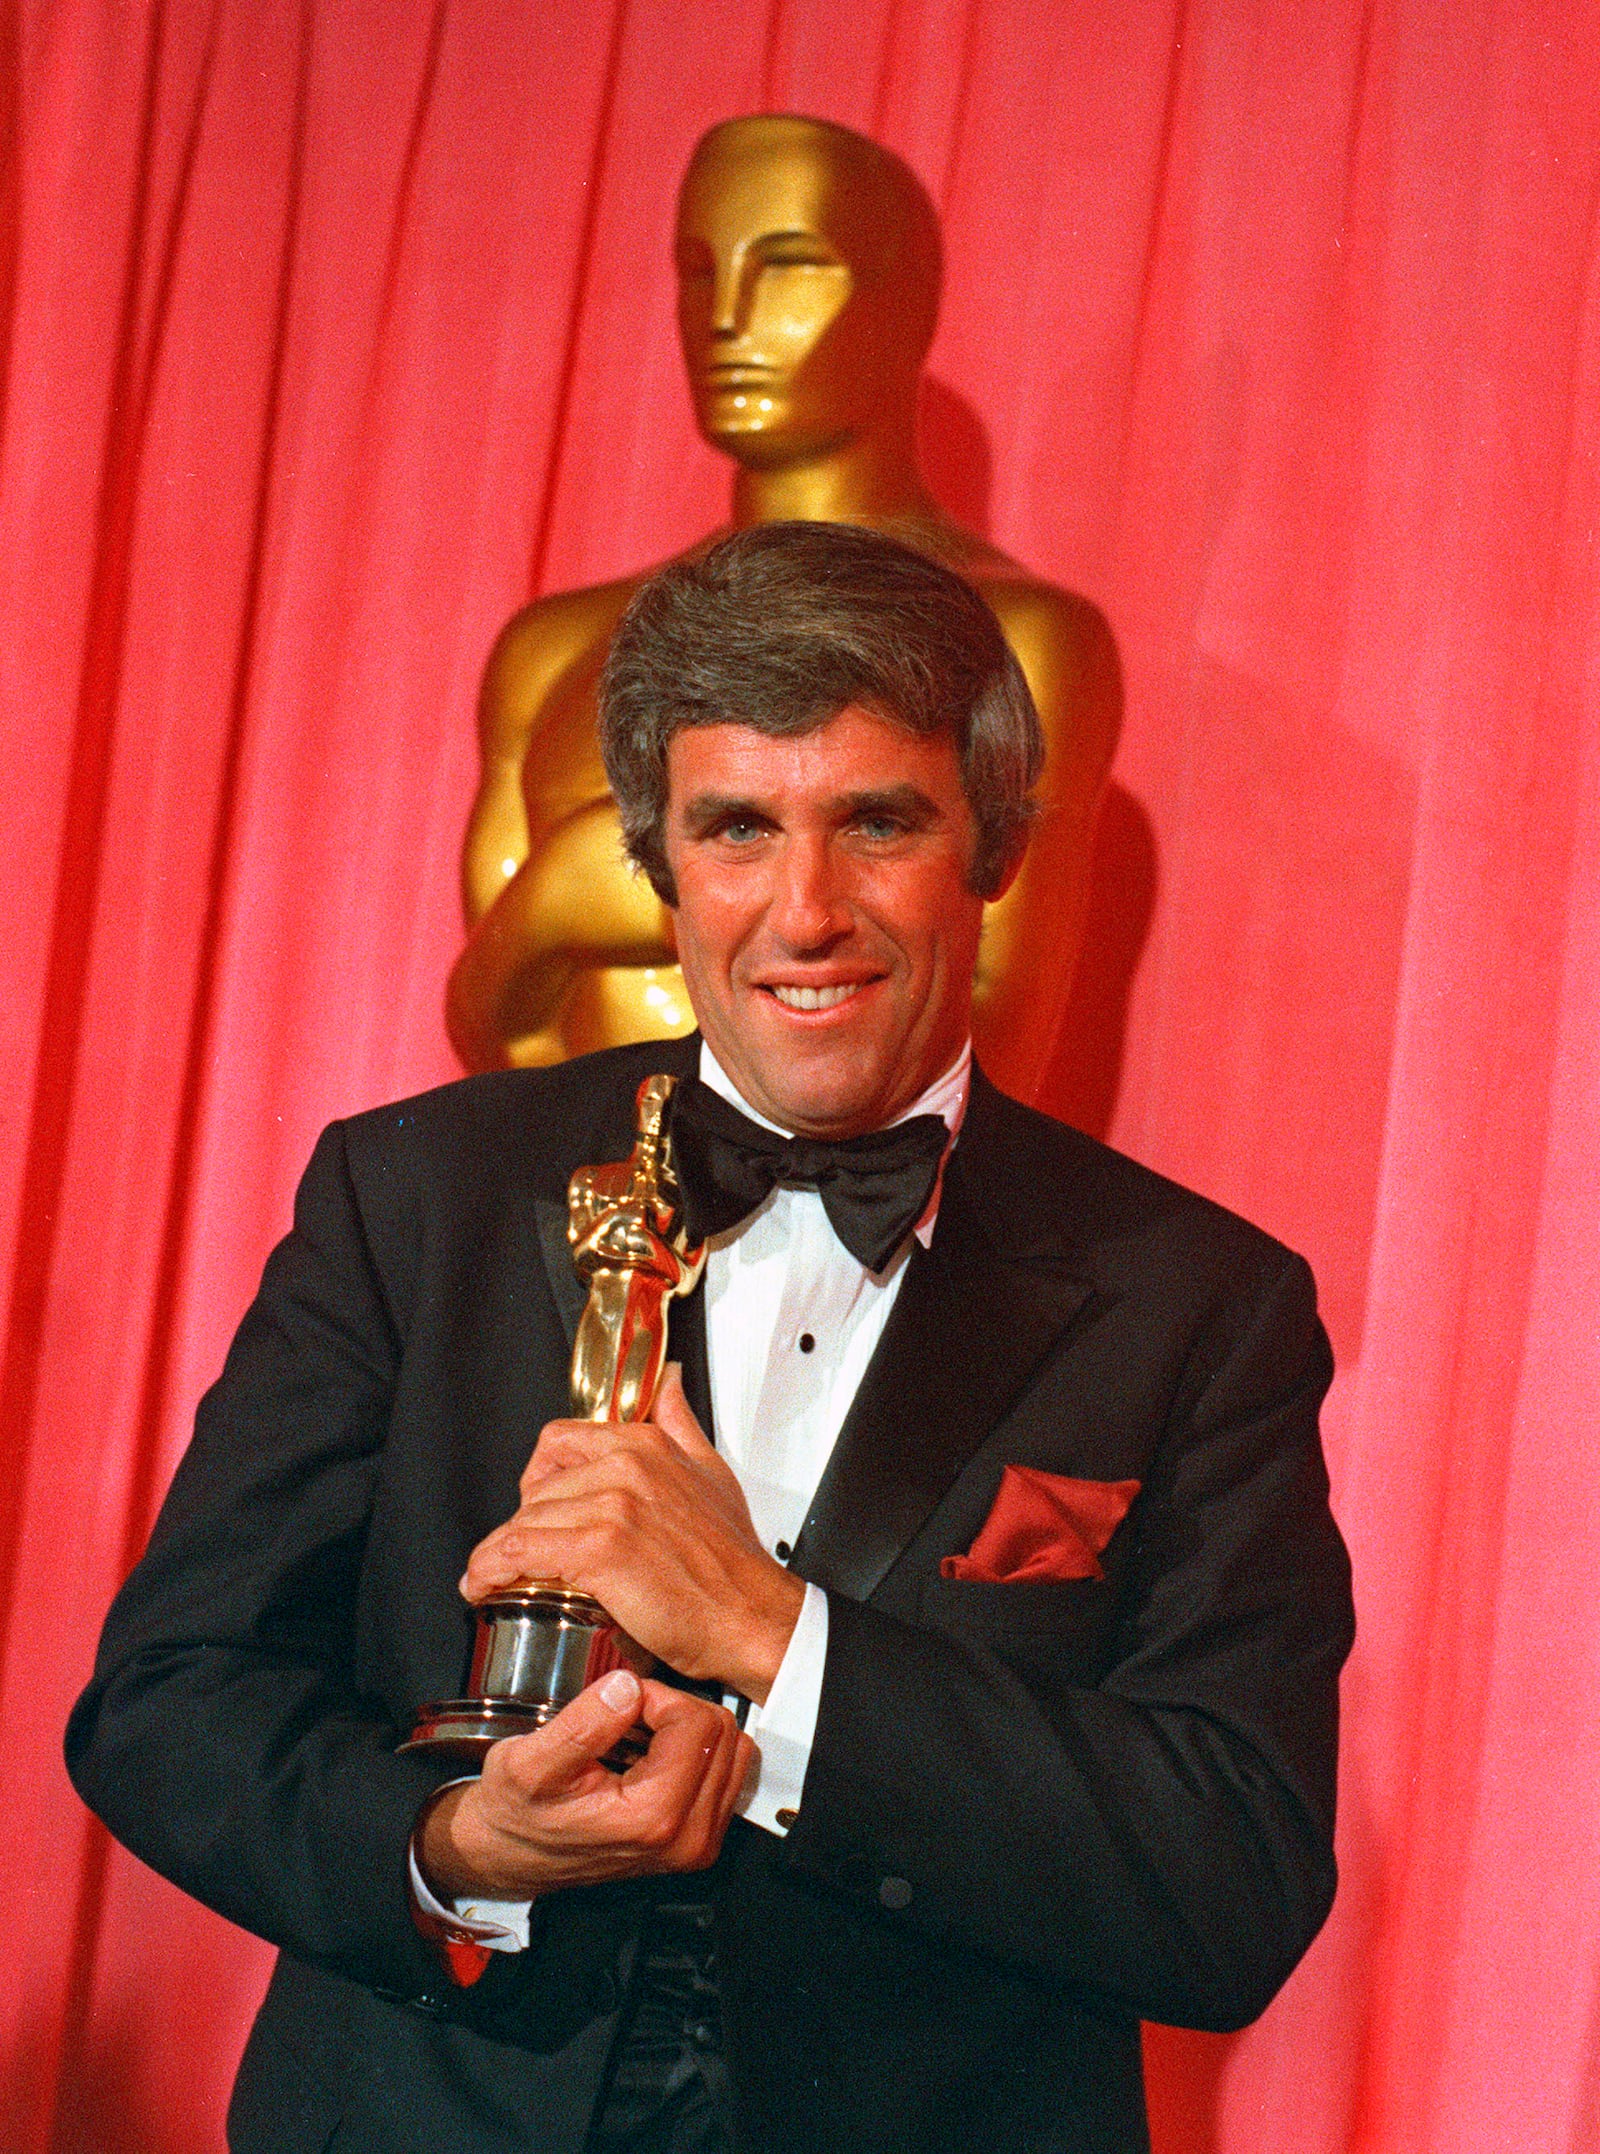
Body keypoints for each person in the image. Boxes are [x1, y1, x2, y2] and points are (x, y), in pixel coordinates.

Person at [68, 522, 1354, 2154]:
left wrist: (772, 1631)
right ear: (661, 859)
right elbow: (171, 1697)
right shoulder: (415, 1196)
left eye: (876, 821)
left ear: (994, 842)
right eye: (737, 827)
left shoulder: (1200, 1300)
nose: (802, 909)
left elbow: (1228, 1881)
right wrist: (456, 1840)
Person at [447, 113, 1121, 1100]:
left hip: (867, 1238)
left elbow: (993, 1035)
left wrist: (610, 892)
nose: (726, 315)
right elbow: (493, 1045)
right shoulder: (551, 649)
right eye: (695, 270)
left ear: (909, 303)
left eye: (791, 266)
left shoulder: (1018, 640)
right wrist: (552, 907)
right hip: (583, 1224)